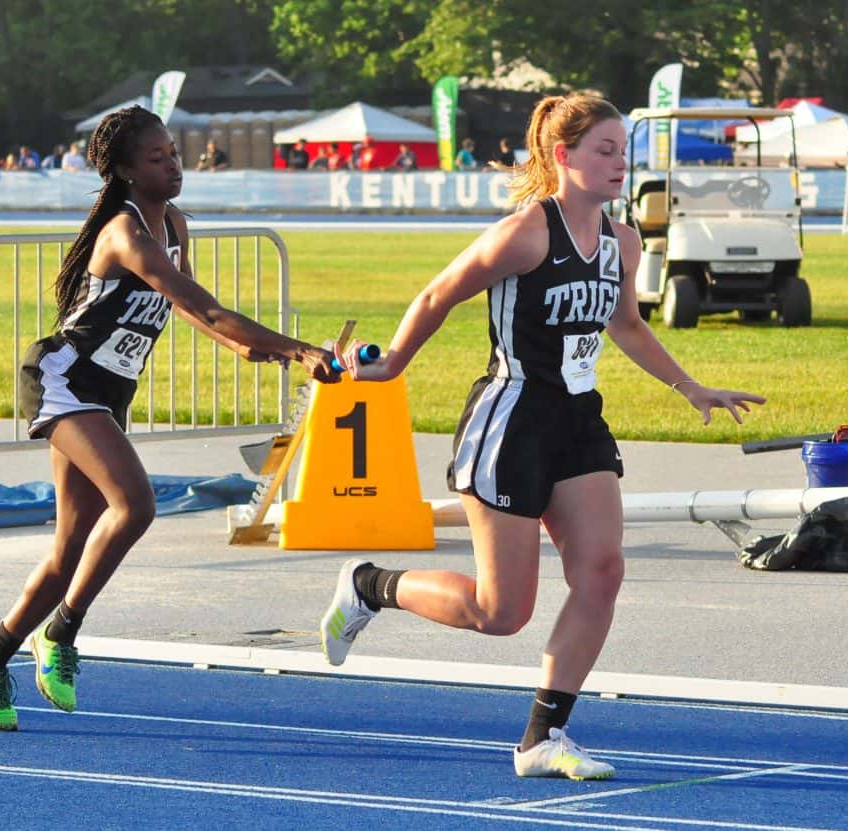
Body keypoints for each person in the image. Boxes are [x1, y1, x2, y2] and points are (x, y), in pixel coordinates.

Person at [319, 93, 765, 781]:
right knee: (500, 612)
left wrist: (690, 386)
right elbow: (439, 293)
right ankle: (369, 584)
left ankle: (542, 738)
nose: (620, 164)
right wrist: (393, 362)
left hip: (578, 421)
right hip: (511, 420)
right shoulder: (526, 234)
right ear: (564, 155)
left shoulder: (622, 241)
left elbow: (626, 325)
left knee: (602, 572)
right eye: (604, 151)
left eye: (623, 152)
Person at [0, 104, 340, 732]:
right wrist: (298, 349)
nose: (174, 165)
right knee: (135, 506)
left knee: (69, 552)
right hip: (65, 380)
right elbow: (207, 308)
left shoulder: (175, 225)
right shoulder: (126, 233)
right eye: (158, 158)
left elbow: (190, 310)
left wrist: (253, 349)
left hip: (110, 392)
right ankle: (61, 632)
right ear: (128, 171)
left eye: (174, 153)